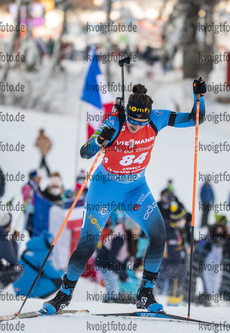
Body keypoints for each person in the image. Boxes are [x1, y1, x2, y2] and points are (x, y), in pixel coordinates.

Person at [42, 79, 207, 314]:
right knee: (88, 243)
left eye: (141, 123)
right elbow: (85, 152)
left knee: (159, 234)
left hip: (135, 190)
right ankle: (64, 294)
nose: (135, 127)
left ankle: (145, 293)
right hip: (104, 188)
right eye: (132, 121)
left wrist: (198, 98)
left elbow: (194, 119)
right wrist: (100, 140)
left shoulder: (156, 118)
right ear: (127, 113)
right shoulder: (113, 122)